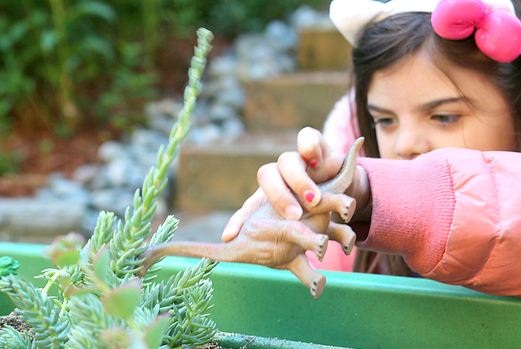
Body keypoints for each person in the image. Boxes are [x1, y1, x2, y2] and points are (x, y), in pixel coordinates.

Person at [221, 0, 521, 296]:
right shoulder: (351, 239)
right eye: (385, 120)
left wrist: (372, 193)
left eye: (444, 117)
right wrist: (281, 243)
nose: (404, 145)